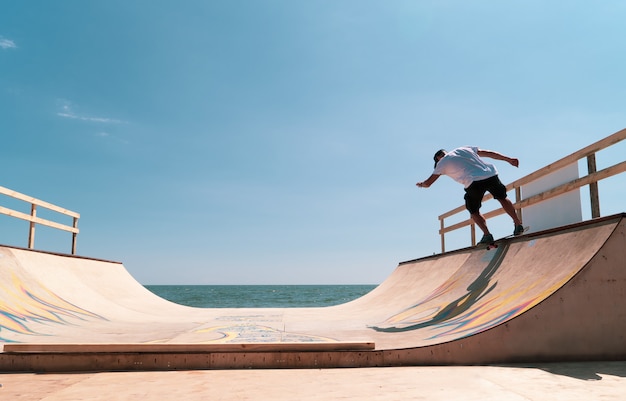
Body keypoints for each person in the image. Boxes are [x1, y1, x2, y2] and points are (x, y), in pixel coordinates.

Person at [416, 146, 524, 245]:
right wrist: (508, 159)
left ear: (439, 157)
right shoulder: (464, 149)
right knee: (502, 198)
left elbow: (428, 183)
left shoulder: (442, 162)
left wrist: (421, 184)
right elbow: (489, 153)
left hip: (473, 182)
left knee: (473, 210)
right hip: (490, 175)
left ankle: (487, 235)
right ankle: (518, 224)